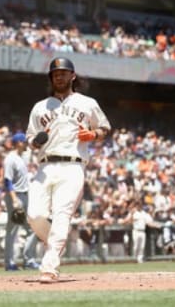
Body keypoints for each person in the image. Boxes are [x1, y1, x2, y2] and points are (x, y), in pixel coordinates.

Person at [25, 57, 111, 283]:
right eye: (55, 73)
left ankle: (50, 267)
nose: (59, 76)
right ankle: (57, 241)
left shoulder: (87, 103)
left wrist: (93, 135)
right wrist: (36, 141)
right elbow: (30, 139)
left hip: (73, 166)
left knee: (62, 215)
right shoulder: (39, 107)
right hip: (45, 166)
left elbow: (105, 128)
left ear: (73, 76)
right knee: (34, 215)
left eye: (63, 72)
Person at [3, 132, 39, 271]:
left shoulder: (21, 157)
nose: (26, 145)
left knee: (32, 227)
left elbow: (32, 148)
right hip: (15, 196)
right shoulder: (10, 159)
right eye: (24, 142)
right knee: (12, 230)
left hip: (25, 194)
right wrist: (14, 200)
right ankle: (9, 263)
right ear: (18, 143)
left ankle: (28, 260)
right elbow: (7, 181)